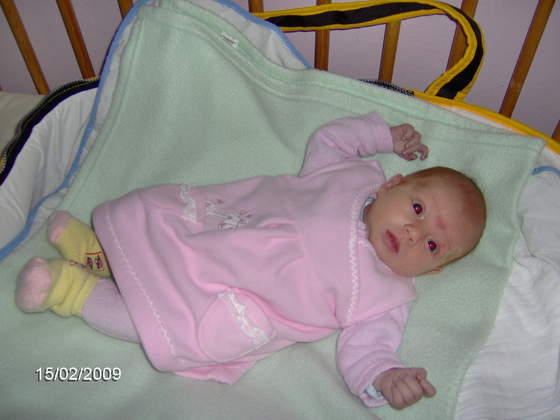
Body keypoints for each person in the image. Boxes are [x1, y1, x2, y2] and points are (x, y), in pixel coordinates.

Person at [15, 113, 486, 410]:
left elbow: (367, 349)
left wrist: (387, 375)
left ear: (433, 271)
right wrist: (382, 135)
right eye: (417, 209)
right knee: (151, 234)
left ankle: (72, 291)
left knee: (159, 323)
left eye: (432, 246)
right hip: (217, 235)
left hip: (232, 300)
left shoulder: (386, 296)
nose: (414, 232)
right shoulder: (351, 177)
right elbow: (332, 138)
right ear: (391, 185)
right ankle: (95, 252)